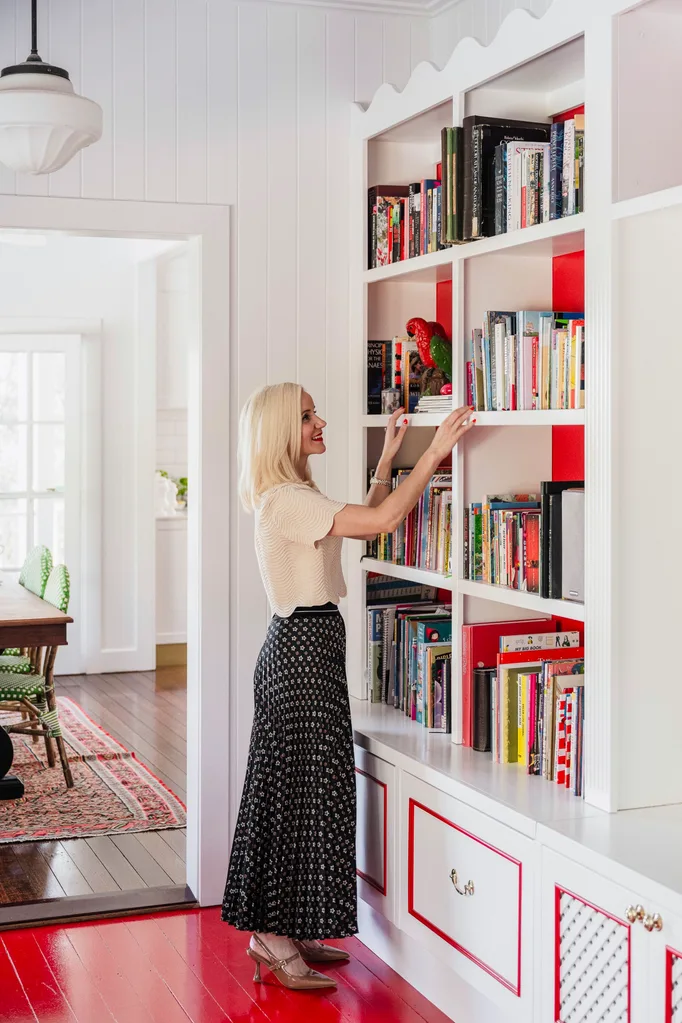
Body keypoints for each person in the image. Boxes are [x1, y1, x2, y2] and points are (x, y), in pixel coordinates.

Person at [221, 381, 474, 991]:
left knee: (312, 793)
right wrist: (434, 451)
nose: (320, 422)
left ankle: (289, 928)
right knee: (296, 797)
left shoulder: (296, 496)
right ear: (281, 431)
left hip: (307, 651)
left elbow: (367, 519)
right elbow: (382, 521)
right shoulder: (287, 500)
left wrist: (388, 458)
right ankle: (272, 938)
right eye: (307, 415)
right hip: (301, 656)